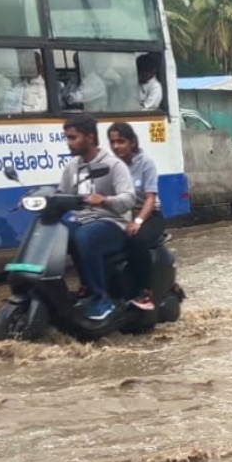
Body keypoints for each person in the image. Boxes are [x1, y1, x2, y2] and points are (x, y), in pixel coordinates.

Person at [58, 113, 135, 321]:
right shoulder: (72, 166)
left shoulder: (114, 165)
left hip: (112, 224)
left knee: (85, 236)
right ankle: (68, 291)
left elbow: (129, 199)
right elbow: (62, 194)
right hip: (83, 222)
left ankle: (101, 298)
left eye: (73, 137)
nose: (68, 142)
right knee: (58, 232)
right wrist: (37, 198)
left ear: (90, 137)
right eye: (67, 137)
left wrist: (104, 200)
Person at [107, 121, 161, 311]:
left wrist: (138, 221)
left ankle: (145, 292)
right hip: (122, 215)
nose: (116, 147)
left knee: (135, 238)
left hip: (148, 215)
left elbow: (150, 198)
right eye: (112, 142)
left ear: (132, 142)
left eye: (121, 142)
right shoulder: (111, 165)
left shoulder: (145, 163)